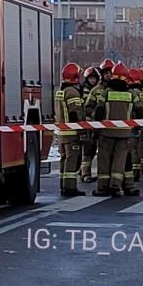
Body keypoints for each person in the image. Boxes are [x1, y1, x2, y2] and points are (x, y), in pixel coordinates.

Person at [95, 64, 138, 197]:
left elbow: (99, 110)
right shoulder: (131, 94)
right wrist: (136, 125)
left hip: (106, 132)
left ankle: (102, 187)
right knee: (120, 160)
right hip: (124, 133)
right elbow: (140, 110)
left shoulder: (106, 92)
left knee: (104, 159)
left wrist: (96, 127)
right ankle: (115, 185)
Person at [55, 63, 86, 197]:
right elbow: (75, 112)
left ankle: (63, 185)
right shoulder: (72, 92)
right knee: (72, 160)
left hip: (62, 133)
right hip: (72, 133)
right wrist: (81, 130)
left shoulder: (60, 91)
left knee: (64, 159)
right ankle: (70, 188)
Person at [79, 65, 102, 187]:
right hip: (87, 124)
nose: (92, 80)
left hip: (96, 124)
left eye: (94, 78)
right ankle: (85, 174)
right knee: (88, 149)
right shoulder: (83, 90)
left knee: (92, 149)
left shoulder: (99, 90)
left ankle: (83, 171)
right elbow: (85, 107)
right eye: (90, 78)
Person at [127, 67, 143, 179]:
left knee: (134, 147)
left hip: (135, 122)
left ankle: (136, 171)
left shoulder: (133, 92)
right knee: (139, 146)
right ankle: (142, 168)